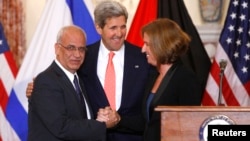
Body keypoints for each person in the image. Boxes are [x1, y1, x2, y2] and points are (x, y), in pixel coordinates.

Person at [26, 1, 150, 141]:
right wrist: (35, 91)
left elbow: (150, 107)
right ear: (98, 28)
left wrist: (119, 120)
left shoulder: (143, 59)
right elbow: (58, 85)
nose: (119, 33)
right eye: (113, 27)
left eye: (122, 27)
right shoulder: (84, 57)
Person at [28, 25, 118, 141]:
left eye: (81, 49)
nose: (77, 55)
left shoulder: (78, 79)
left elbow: (78, 117)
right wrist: (102, 125)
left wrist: (101, 118)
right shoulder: (46, 81)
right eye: (71, 48)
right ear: (57, 49)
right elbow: (61, 127)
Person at [140, 18, 203, 141]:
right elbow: (147, 121)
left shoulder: (185, 78)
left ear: (160, 45)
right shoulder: (153, 76)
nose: (143, 49)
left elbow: (189, 125)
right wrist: (116, 119)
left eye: (147, 44)